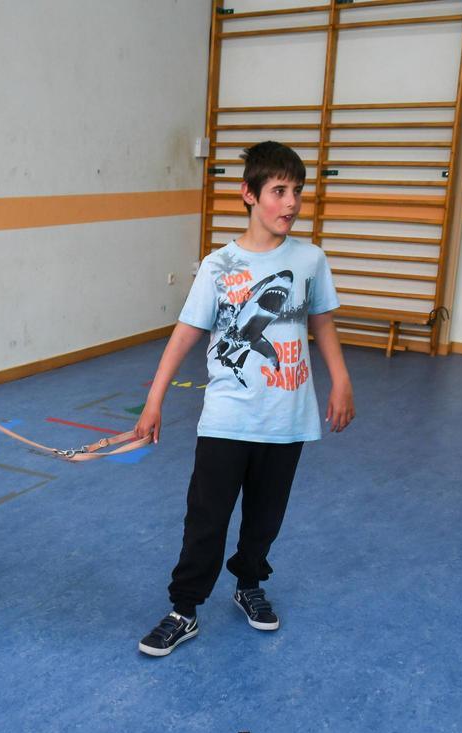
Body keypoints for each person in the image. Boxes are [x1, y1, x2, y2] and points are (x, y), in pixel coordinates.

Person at [135, 141, 354, 656]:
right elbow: (186, 332)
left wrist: (340, 379)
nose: (291, 203)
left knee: (265, 517)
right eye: (279, 191)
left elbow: (321, 322)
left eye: (297, 192)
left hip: (288, 417)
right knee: (205, 519)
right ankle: (183, 609)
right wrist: (153, 400)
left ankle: (249, 582)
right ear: (249, 195)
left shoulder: (309, 259)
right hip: (228, 417)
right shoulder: (220, 265)